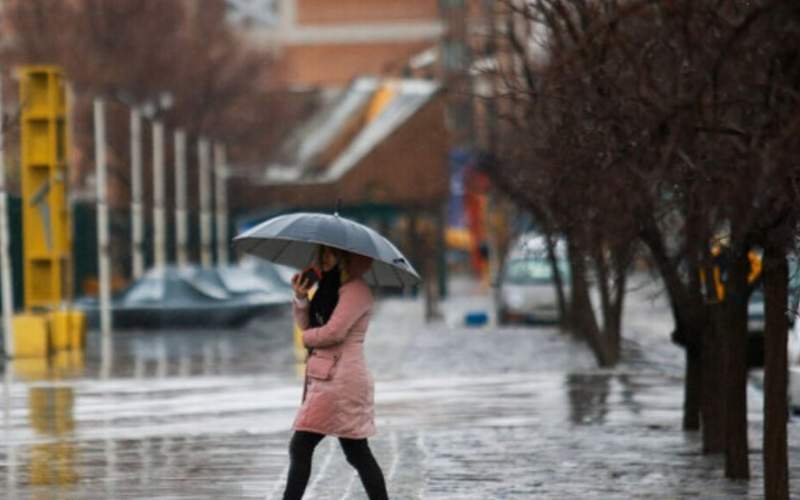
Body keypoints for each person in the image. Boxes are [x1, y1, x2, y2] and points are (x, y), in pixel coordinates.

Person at [283, 245, 389, 500]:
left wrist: (307, 338)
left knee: (302, 446)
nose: (325, 259)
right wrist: (301, 298)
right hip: (328, 377)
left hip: (341, 380)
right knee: (356, 452)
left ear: (347, 258)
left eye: (332, 254)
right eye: (322, 254)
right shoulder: (329, 288)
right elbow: (310, 324)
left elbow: (334, 333)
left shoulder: (356, 291)